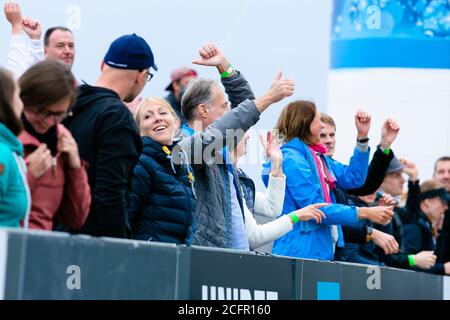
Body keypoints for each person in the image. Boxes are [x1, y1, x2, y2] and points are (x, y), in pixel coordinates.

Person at [179, 43, 295, 249]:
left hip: (229, 258)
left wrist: (225, 67)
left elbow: (245, 110)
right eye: (225, 107)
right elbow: (233, 122)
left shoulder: (219, 152)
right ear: (204, 110)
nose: (229, 112)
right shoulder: (185, 146)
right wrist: (268, 97)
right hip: (203, 258)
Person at [264, 101, 394, 260]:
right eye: (317, 120)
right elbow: (315, 208)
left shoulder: (318, 158)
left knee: (327, 286)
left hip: (323, 253)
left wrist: (362, 137)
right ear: (305, 123)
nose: (321, 126)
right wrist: (365, 212)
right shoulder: (292, 159)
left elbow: (354, 178)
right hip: (299, 253)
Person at [63, 34, 157, 238]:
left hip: (48, 236)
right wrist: (117, 252)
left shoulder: (64, 103)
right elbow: (110, 194)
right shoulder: (117, 117)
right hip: (91, 245)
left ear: (102, 64)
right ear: (141, 74)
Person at [18, 60, 90, 231]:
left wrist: (75, 168)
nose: (49, 121)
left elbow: (76, 218)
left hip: (40, 250)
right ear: (25, 101)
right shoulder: (6, 136)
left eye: (59, 114)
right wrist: (28, 175)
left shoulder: (63, 142)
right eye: (42, 111)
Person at [320, 113, 401, 260]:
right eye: (323, 136)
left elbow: (365, 185)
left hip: (330, 256)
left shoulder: (333, 169)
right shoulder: (309, 169)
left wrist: (384, 146)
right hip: (310, 254)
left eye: (332, 135)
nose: (329, 141)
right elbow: (325, 215)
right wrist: (370, 231)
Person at [232, 131, 328, 250]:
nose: (248, 136)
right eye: (244, 131)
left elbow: (272, 208)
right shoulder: (227, 179)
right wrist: (295, 216)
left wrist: (277, 164)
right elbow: (253, 237)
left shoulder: (238, 178)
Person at [129, 98, 196, 244]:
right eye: (147, 116)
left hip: (176, 258)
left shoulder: (181, 164)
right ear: (139, 131)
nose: (157, 118)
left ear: (176, 122)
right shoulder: (141, 162)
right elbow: (125, 216)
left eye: (163, 112)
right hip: (149, 257)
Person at [3, 2, 76, 78]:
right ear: (45, 52)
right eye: (60, 46)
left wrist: (17, 25)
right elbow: (16, 81)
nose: (67, 51)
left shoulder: (82, 88)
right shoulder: (42, 84)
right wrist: (34, 40)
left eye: (71, 46)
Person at [0, 67, 30, 228]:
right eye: (18, 95)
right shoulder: (2, 153)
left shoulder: (8, 148)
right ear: (7, 101)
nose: (21, 103)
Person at [403, 180, 450, 275]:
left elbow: (431, 261)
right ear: (428, 201)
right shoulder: (414, 225)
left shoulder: (425, 224)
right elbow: (406, 264)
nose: (446, 208)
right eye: (443, 202)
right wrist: (443, 268)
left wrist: (440, 233)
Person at [434, 157, 450, 264]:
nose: (446, 176)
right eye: (441, 172)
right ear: (433, 176)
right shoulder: (422, 205)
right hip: (429, 274)